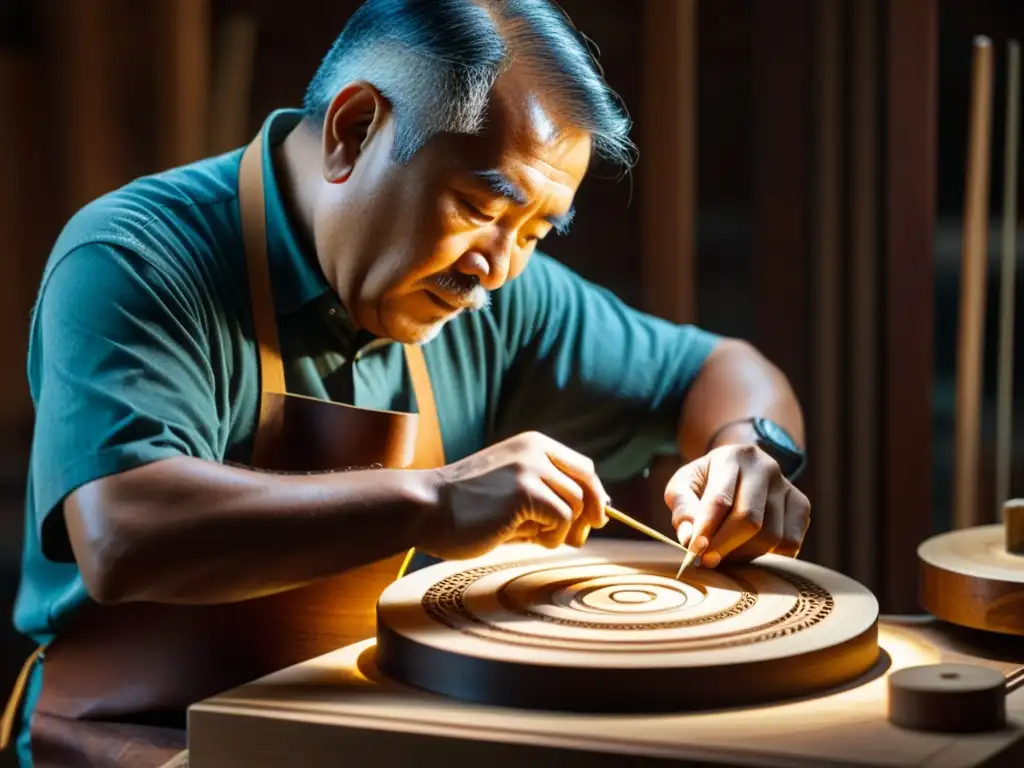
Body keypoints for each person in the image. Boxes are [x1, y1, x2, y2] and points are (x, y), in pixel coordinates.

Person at [4, 0, 809, 765]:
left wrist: (749, 451)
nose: (495, 269)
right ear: (353, 132)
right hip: (134, 735)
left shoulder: (501, 294)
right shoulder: (135, 258)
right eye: (476, 206)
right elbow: (122, 532)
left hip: (355, 731)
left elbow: (724, 369)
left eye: (534, 231)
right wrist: (437, 499)